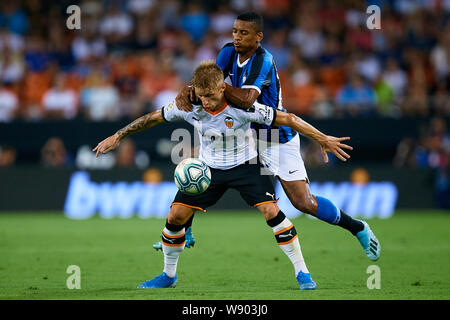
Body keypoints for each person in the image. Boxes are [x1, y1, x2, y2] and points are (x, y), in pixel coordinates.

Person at [93, 61, 368, 290]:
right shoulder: (189, 105)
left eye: (211, 95)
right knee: (175, 216)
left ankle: (302, 272)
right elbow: (152, 118)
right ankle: (168, 276)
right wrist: (118, 136)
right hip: (208, 169)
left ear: (222, 87)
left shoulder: (243, 107)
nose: (207, 102)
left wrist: (322, 139)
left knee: (272, 211)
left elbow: (289, 119)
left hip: (247, 164)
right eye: (202, 96)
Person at [162, 12, 381, 262]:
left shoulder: (263, 60)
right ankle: (183, 227)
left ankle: (357, 228)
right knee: (203, 163)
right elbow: (207, 81)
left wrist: (321, 138)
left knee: (303, 202)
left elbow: (245, 100)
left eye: (243, 33)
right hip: (245, 134)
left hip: (275, 135)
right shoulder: (226, 53)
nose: (236, 37)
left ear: (258, 37)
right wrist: (190, 88)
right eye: (234, 31)